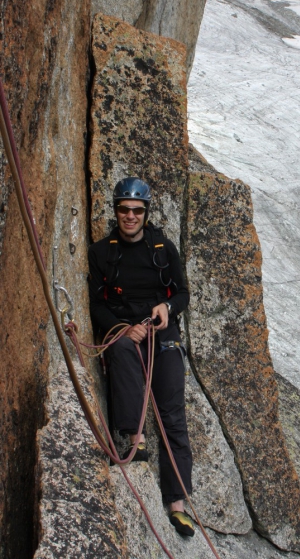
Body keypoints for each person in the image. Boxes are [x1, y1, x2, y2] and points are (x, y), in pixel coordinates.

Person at [88, 177, 194, 537]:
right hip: (126, 331)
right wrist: (121, 327)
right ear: (116, 210)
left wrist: (166, 307)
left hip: (162, 331)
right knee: (119, 349)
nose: (130, 216)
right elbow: (97, 305)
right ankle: (134, 438)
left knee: (171, 413)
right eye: (123, 209)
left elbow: (182, 293)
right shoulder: (101, 253)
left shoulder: (163, 249)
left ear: (146, 213)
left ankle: (177, 503)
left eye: (136, 210)